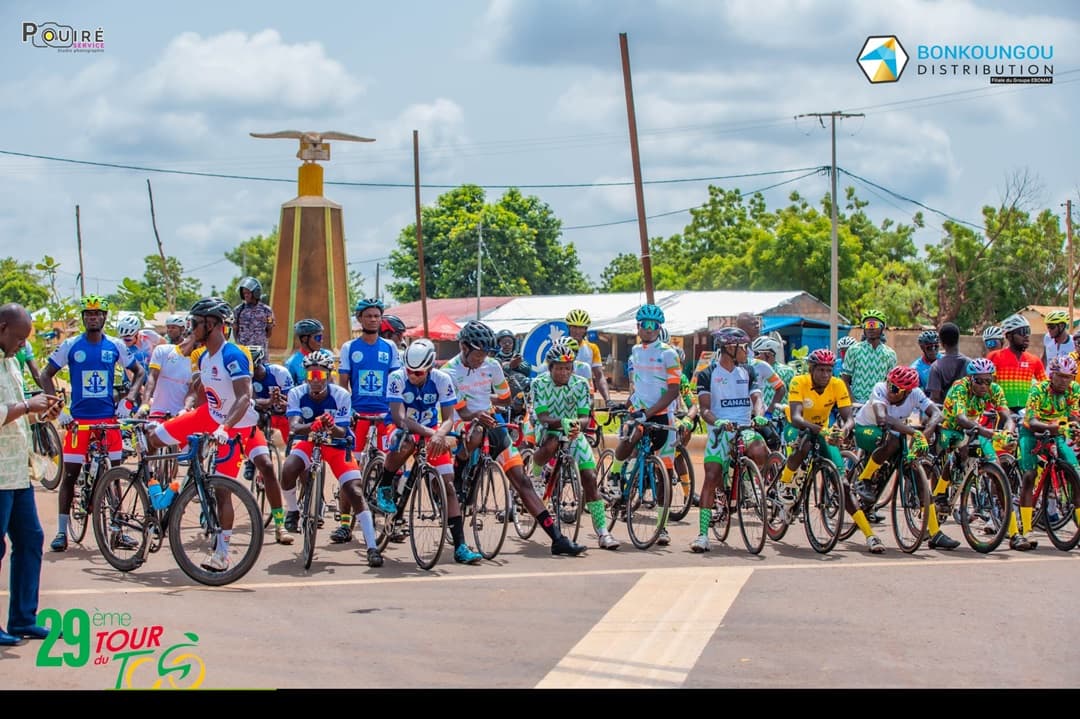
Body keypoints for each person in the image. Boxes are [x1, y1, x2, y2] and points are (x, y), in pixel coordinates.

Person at [147, 297, 294, 567]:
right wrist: (185, 410)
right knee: (151, 439)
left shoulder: (234, 354)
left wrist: (225, 428)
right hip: (208, 416)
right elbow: (200, 392)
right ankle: (153, 493)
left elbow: (242, 397)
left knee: (235, 484)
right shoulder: (203, 356)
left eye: (195, 323)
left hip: (238, 426)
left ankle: (224, 553)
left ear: (212, 324)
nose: (191, 328)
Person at [443, 320, 585, 556]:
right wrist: (479, 410)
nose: (482, 359)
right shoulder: (449, 371)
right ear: (463, 347)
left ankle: (557, 539)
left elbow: (506, 398)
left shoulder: (493, 366)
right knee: (476, 432)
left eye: (486, 354)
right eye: (478, 354)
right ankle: (459, 471)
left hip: (490, 420)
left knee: (523, 481)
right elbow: (465, 412)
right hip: (463, 420)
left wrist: (488, 402)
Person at [40, 296, 143, 552]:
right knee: (71, 476)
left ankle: (117, 530)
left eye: (97, 314)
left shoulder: (116, 346)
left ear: (104, 317)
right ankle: (62, 532)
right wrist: (59, 408)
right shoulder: (71, 345)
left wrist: (128, 401)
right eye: (88, 314)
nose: (93, 318)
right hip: (79, 423)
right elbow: (46, 374)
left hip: (108, 422)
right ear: (84, 318)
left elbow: (139, 372)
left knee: (115, 476)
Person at [383, 338, 483, 564]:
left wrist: (439, 434)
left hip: (431, 428)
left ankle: (460, 546)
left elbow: (448, 419)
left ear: (429, 368)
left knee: (447, 484)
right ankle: (385, 483)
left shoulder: (442, 379)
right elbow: (399, 418)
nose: (413, 375)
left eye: (419, 373)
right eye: (409, 370)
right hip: (403, 428)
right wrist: (433, 434)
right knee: (405, 440)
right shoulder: (396, 378)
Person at [279, 349, 383, 567]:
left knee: (354, 490)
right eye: (310, 376)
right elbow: (294, 427)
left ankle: (372, 546)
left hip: (336, 445)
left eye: (319, 376)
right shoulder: (297, 393)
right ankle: (293, 511)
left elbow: (344, 432)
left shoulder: (341, 395)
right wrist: (314, 425)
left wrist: (330, 425)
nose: (315, 381)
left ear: (328, 375)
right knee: (288, 468)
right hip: (309, 440)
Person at [0, 303, 63, 644]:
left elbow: (18, 412)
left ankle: (23, 619)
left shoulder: (10, 362)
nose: (23, 345)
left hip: (16, 471)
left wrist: (43, 411)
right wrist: (27, 405)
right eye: (19, 338)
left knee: (31, 539)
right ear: (2, 327)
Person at [530, 339, 620, 550]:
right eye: (559, 368)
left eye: (568, 368)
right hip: (548, 427)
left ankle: (603, 533)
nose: (564, 372)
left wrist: (574, 425)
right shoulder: (539, 383)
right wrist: (559, 422)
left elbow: (584, 418)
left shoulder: (580, 384)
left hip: (572, 430)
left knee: (589, 477)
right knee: (552, 443)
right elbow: (542, 416)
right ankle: (537, 474)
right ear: (550, 367)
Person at [689, 327, 770, 553]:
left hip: (744, 426)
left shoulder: (748, 371)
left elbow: (757, 398)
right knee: (712, 476)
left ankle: (747, 479)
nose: (747, 351)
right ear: (729, 348)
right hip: (720, 428)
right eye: (743, 347)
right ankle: (703, 535)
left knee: (760, 448)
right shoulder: (708, 374)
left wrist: (760, 414)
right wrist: (719, 422)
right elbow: (704, 409)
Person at [607, 305, 683, 548]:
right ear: (638, 327)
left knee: (665, 476)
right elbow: (638, 386)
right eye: (644, 325)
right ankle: (614, 476)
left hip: (662, 415)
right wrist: (626, 405)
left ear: (659, 328)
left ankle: (662, 527)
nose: (649, 329)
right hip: (638, 411)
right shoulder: (635, 352)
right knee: (631, 436)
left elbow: (673, 390)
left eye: (653, 325)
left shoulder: (669, 353)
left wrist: (648, 412)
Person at [850, 365, 948, 552]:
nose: (890, 390)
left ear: (907, 392)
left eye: (895, 389)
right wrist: (914, 433)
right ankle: (864, 479)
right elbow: (882, 418)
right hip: (867, 429)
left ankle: (935, 532)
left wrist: (925, 433)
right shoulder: (880, 389)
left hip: (894, 432)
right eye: (890, 384)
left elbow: (937, 414)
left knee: (916, 473)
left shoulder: (915, 393)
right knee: (893, 442)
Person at [337, 298, 401, 540]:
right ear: (360, 319)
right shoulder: (349, 348)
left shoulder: (390, 348)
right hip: (358, 417)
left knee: (391, 468)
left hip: (384, 417)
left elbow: (396, 383)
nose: (373, 319)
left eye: (377, 316)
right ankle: (345, 524)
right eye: (369, 316)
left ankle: (391, 522)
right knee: (350, 471)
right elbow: (343, 386)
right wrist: (346, 412)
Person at [936, 357, 1017, 535]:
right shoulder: (960, 387)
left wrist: (1009, 432)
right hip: (951, 429)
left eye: (988, 381)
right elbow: (961, 418)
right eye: (979, 381)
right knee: (962, 447)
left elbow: (1007, 416)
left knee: (997, 469)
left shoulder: (994, 389)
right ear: (970, 379)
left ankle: (1014, 532)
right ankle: (941, 492)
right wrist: (987, 432)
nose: (983, 386)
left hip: (976, 429)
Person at [1013, 355, 1080, 551]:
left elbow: (1074, 415)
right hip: (1032, 432)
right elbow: (1031, 421)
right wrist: (1053, 427)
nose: (1064, 381)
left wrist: (1075, 427)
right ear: (1051, 375)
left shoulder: (1074, 390)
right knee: (1029, 475)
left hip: (1057, 432)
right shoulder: (1038, 389)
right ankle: (1026, 530)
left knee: (1075, 474)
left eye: (1069, 377)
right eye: (1060, 376)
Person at [988, 313, 1046, 414]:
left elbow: (1046, 386)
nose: (1026, 336)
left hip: (1026, 412)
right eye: (1022, 332)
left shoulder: (1034, 360)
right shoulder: (994, 356)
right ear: (1009, 336)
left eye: (1028, 331)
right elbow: (988, 386)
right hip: (1001, 411)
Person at [138, 315, 194, 418]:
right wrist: (145, 403)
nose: (169, 330)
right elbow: (152, 378)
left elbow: (193, 390)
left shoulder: (197, 358)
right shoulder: (161, 350)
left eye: (173, 327)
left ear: (182, 329)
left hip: (180, 414)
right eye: (168, 327)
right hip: (158, 411)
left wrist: (186, 409)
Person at [842, 309, 897, 404]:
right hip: (857, 404)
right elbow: (845, 380)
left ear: (882, 328)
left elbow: (891, 383)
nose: (871, 328)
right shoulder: (853, 350)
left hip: (880, 403)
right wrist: (852, 402)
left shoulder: (890, 354)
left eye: (874, 325)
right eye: (867, 325)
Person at [565, 309, 612, 406]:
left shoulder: (592, 348)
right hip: (562, 395)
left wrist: (608, 400)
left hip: (585, 397)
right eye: (574, 327)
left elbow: (599, 376)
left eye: (581, 327)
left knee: (587, 421)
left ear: (585, 329)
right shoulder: (559, 345)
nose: (577, 331)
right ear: (569, 327)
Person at [927, 322, 969, 405]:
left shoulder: (936, 367)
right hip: (966, 413)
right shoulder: (970, 364)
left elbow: (935, 397)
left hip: (945, 414)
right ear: (958, 339)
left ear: (942, 343)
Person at [233, 276, 275, 355]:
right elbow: (235, 330)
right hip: (243, 352)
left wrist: (258, 339)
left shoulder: (267, 311)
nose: (246, 295)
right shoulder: (238, 310)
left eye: (248, 293)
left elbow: (269, 331)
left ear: (256, 292)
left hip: (260, 353)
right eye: (244, 293)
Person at [285, 318, 324, 387]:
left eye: (322, 337)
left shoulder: (328, 356)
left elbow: (333, 382)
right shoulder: (291, 363)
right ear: (304, 339)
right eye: (318, 337)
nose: (321, 341)